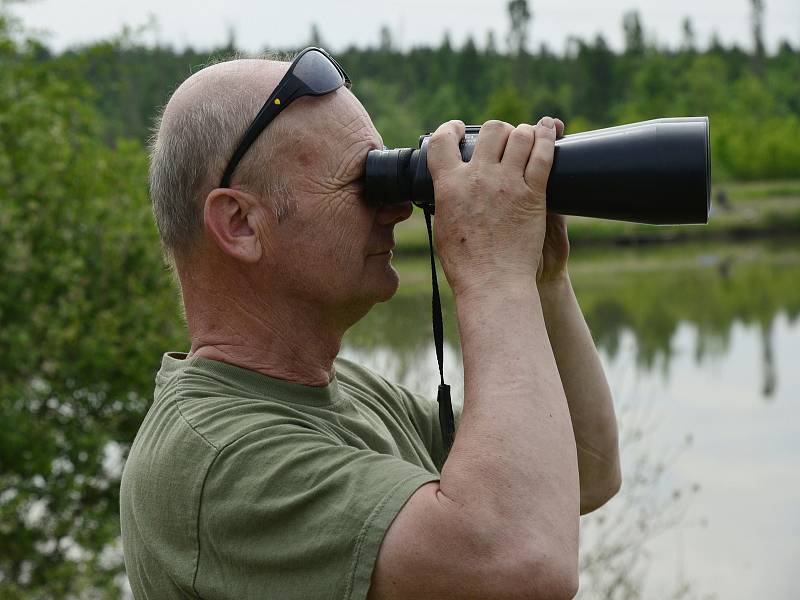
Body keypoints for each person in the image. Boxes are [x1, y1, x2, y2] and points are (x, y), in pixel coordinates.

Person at [120, 48, 621, 600]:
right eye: (363, 183)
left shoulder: (346, 391)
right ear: (240, 223)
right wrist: (492, 270)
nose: (399, 210)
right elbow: (522, 562)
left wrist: (541, 279)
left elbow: (584, 469)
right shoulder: (219, 458)